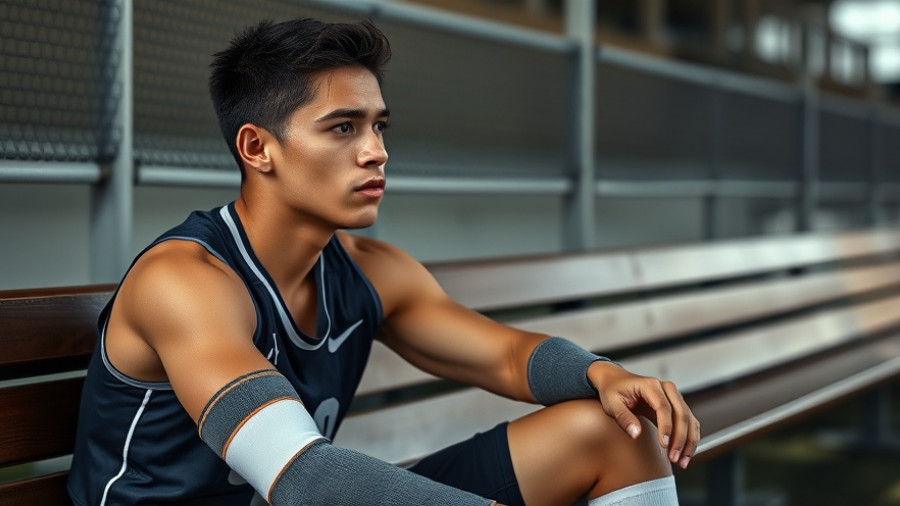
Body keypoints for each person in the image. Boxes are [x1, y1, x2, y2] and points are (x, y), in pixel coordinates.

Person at [68, 17, 699, 506]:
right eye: (343, 128)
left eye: (378, 126)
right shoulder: (185, 281)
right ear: (257, 148)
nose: (375, 151)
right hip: (299, 490)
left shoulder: (371, 269)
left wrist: (600, 373)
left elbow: (506, 356)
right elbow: (305, 475)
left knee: (616, 431)